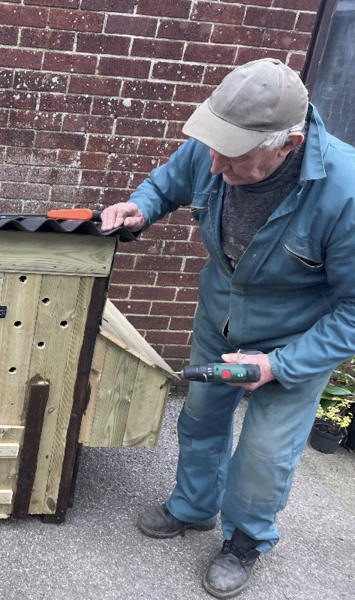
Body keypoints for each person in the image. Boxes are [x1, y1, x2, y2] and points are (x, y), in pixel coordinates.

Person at [99, 58, 355, 598]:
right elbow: (166, 183)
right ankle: (193, 510)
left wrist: (280, 366)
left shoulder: (345, 193)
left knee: (265, 454)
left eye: (232, 155)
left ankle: (245, 542)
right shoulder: (215, 147)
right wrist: (140, 208)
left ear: (287, 143)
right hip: (220, 318)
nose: (213, 166)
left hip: (295, 343)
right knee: (199, 419)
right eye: (211, 146)